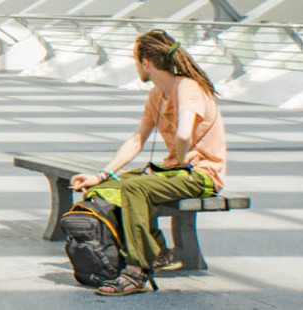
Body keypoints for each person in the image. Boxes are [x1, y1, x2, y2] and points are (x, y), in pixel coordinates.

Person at [67, 29, 228, 296]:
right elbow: (137, 139)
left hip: (201, 174)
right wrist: (102, 174)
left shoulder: (187, 87)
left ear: (146, 62)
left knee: (135, 188)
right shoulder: (157, 94)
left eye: (135, 59)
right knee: (109, 187)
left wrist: (179, 160)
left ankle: (137, 270)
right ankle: (157, 251)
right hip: (173, 173)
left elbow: (184, 132)